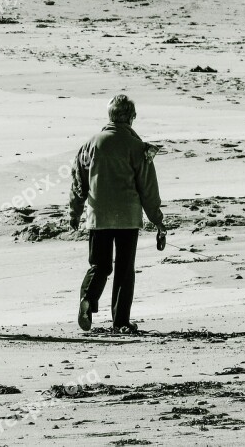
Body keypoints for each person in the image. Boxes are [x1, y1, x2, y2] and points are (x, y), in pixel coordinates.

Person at [68, 95, 166, 333]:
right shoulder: (137, 147)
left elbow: (78, 182)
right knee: (124, 268)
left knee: (99, 265)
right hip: (127, 216)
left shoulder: (91, 143)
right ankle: (120, 321)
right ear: (131, 118)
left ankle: (88, 299)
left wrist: (75, 213)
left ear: (110, 117)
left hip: (98, 215)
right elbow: (148, 188)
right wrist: (158, 221)